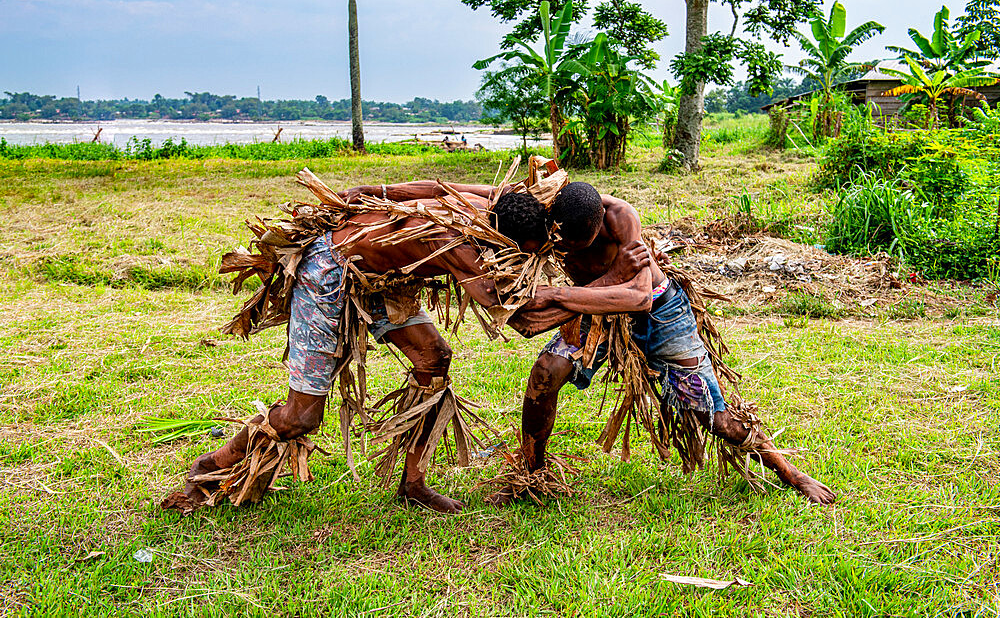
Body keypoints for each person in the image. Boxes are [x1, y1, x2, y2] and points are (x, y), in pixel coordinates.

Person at [162, 185, 649, 515]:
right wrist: (600, 298)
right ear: (500, 236)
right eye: (517, 251)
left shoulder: (501, 200)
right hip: (328, 274)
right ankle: (206, 473)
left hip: (381, 281)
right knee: (301, 416)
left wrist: (374, 194)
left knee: (433, 360)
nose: (519, 258)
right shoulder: (462, 247)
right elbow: (517, 318)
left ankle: (412, 483)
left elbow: (432, 189)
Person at [361, 178, 836, 505]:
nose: (569, 252)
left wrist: (557, 295)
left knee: (713, 415)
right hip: (591, 313)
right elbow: (454, 192)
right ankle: (532, 471)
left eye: (581, 245)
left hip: (658, 313)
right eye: (563, 245)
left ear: (600, 225)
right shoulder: (542, 205)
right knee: (545, 374)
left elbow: (637, 298)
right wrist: (377, 192)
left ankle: (788, 472)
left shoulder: (621, 218)